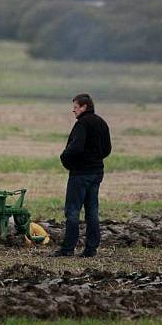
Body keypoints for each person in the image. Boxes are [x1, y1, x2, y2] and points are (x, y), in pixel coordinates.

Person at [52, 93, 111, 258]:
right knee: (92, 211)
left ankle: (68, 249)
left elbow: (75, 148)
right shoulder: (101, 123)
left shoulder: (82, 124)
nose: (73, 110)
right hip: (97, 172)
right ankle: (91, 249)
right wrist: (94, 159)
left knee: (72, 211)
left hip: (80, 174)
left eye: (76, 107)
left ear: (84, 107)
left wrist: (64, 158)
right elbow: (107, 149)